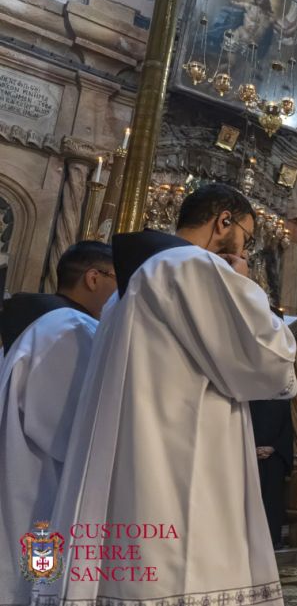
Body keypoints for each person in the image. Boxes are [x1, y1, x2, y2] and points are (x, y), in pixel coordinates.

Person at [35, 183, 297, 606]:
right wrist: (247, 289)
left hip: (143, 453)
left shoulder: (129, 288)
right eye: (246, 238)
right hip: (180, 461)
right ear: (222, 221)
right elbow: (268, 362)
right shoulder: (194, 268)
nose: (245, 251)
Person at [0, 242, 116, 606]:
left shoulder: (42, 320)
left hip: (30, 481)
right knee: (38, 580)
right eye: (120, 281)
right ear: (93, 278)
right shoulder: (71, 328)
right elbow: (65, 427)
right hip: (43, 489)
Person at [251, 396, 293, 549]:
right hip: (250, 457)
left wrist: (273, 448)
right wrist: (251, 447)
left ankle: (272, 539)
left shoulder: (282, 403)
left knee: (272, 501)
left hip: (275, 459)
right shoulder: (249, 401)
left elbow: (287, 432)